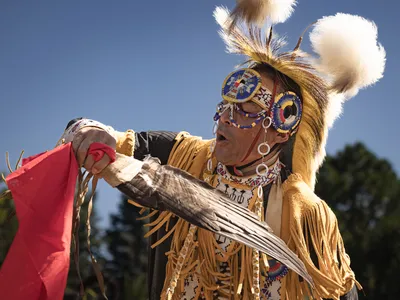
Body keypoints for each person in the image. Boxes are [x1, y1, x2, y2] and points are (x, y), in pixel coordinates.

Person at [60, 3, 386, 300]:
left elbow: (340, 292)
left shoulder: (302, 212)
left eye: (245, 109)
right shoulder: (184, 156)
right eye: (226, 105)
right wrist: (89, 132)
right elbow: (100, 135)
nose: (226, 116)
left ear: (279, 128)